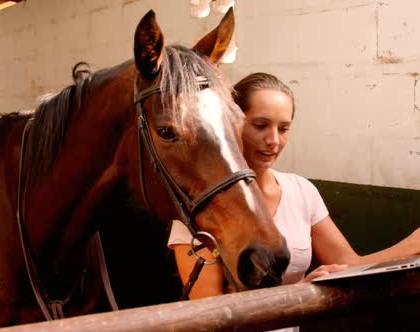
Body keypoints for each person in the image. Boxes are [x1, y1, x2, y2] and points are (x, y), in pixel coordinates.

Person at [168, 72, 420, 305]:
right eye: (260, 125)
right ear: (232, 124)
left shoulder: (301, 191)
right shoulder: (199, 206)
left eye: (283, 128)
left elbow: (349, 265)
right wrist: (298, 293)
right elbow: (209, 310)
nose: (273, 140)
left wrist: (411, 245)